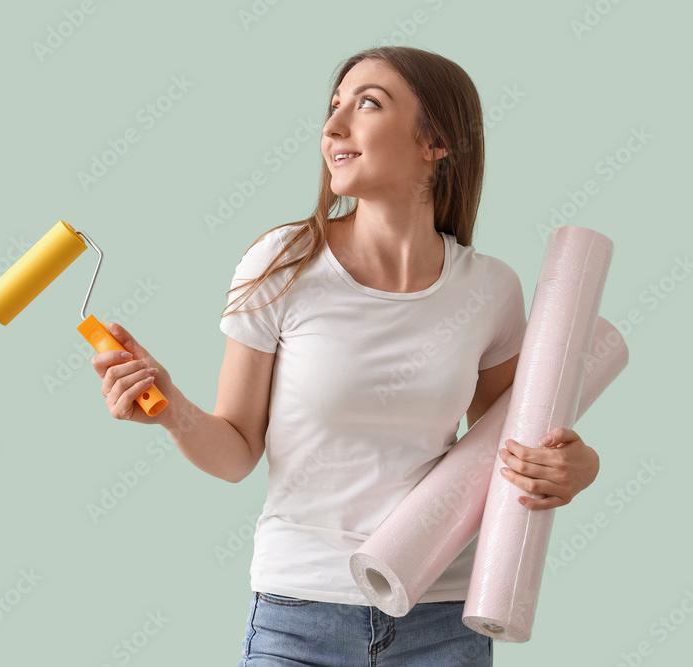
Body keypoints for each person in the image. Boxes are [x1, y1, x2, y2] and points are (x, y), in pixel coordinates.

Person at [89, 46, 600, 667]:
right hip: (298, 615)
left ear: (436, 140)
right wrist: (172, 412)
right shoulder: (283, 263)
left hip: (441, 617)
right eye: (333, 108)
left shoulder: (490, 289)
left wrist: (575, 467)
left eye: (367, 104)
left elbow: (509, 450)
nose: (333, 128)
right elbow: (235, 454)